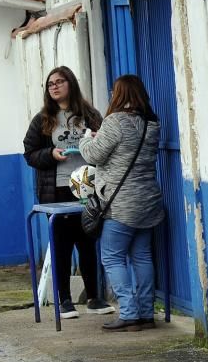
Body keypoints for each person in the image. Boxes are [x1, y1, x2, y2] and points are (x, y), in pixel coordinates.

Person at [22, 66, 114, 319]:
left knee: (87, 243)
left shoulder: (90, 115)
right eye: (50, 83)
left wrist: (96, 140)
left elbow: (107, 147)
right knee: (61, 246)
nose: (54, 86)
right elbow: (29, 153)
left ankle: (95, 297)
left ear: (70, 84)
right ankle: (64, 300)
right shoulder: (43, 120)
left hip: (87, 191)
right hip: (57, 191)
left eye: (59, 81)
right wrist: (50, 154)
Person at [81, 75, 164, 332]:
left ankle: (128, 313)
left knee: (112, 257)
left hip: (121, 203)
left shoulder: (114, 121)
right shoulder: (152, 123)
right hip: (148, 201)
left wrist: (86, 138)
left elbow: (93, 155)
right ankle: (146, 314)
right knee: (142, 256)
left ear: (118, 94)